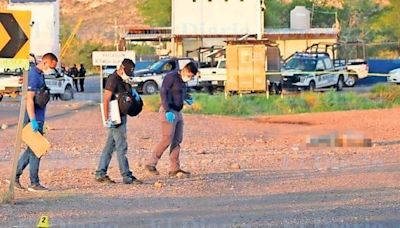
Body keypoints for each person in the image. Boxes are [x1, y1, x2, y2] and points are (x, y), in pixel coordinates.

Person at [145, 61, 198, 177]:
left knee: (177, 140)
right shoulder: (171, 77)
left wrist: (187, 97)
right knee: (167, 139)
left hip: (178, 112)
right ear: (184, 70)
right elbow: (164, 93)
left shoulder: (183, 82)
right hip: (168, 111)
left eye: (192, 76)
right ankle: (151, 163)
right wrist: (167, 110)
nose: (190, 78)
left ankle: (175, 168)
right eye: (190, 75)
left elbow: (180, 93)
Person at [15, 53, 58, 192]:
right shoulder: (34, 75)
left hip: (38, 117)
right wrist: (33, 120)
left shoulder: (39, 74)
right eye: (51, 66)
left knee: (32, 149)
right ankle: (34, 183)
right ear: (46, 62)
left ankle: (15, 176)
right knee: (37, 149)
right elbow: (29, 99)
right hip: (32, 118)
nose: (51, 69)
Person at [95, 58, 142, 185]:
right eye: (127, 72)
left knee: (109, 146)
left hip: (120, 116)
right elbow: (105, 99)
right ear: (121, 68)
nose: (128, 75)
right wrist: (107, 118)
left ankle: (100, 173)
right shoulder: (113, 79)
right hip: (115, 118)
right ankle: (127, 176)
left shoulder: (122, 80)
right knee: (121, 146)